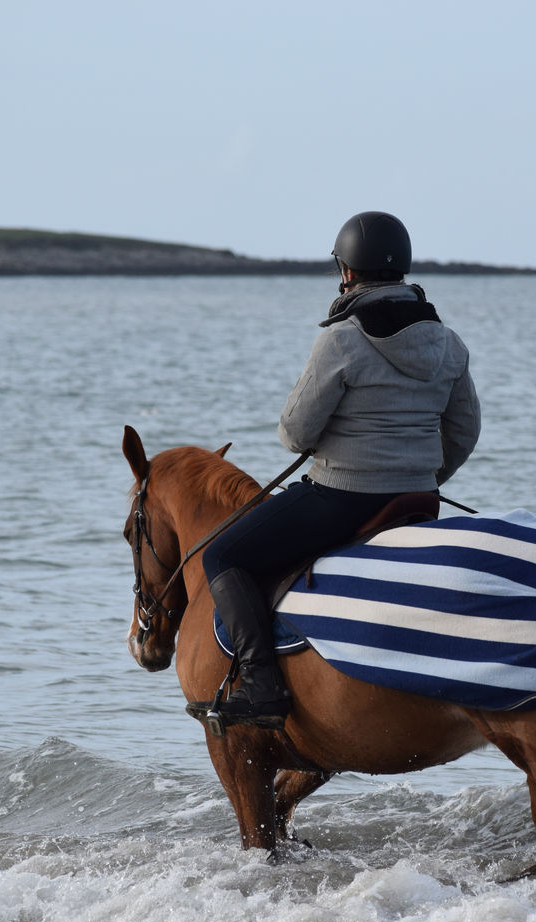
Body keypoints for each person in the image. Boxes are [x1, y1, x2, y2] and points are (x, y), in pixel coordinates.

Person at [190, 211, 481, 730]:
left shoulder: (341, 339)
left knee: (223, 555)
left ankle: (261, 682)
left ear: (347, 272)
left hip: (342, 499)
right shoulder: (449, 343)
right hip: (417, 500)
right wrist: (421, 477)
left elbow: (296, 434)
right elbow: (463, 433)